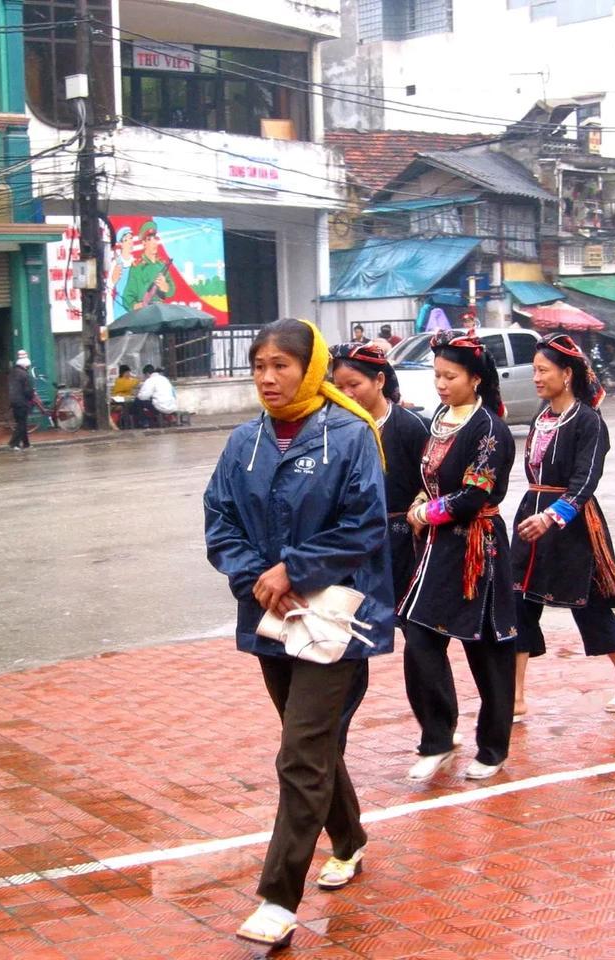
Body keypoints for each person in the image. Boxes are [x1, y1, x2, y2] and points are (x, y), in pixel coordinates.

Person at [203, 318, 393, 950]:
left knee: (299, 751)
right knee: (310, 744)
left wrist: (296, 568)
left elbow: (365, 526)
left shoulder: (349, 435)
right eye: (259, 365)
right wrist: (256, 575)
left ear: (309, 369)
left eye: (281, 365)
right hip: (271, 615)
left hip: (335, 619)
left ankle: (278, 898)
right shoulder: (243, 443)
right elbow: (219, 520)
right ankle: (350, 838)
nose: (268, 377)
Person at [400, 331, 517, 782]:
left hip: (477, 548)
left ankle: (493, 746)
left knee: (486, 650)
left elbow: (473, 494)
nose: (441, 384)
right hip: (435, 549)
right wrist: (421, 501)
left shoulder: (489, 429)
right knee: (419, 636)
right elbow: (430, 475)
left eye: (450, 376)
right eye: (437, 376)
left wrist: (425, 512)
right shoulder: (440, 417)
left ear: (475, 379)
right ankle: (438, 737)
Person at [511, 334, 615, 718]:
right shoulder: (543, 416)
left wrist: (551, 516)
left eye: (543, 370)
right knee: (519, 601)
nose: (536, 377)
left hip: (571, 524)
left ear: (566, 373)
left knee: (588, 605)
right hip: (530, 516)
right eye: (535, 370)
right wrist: (533, 515)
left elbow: (585, 482)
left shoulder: (588, 421)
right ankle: (516, 698)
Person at [329, 341, 430, 601]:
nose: (346, 394)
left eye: (354, 385)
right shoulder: (333, 431)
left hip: (404, 541)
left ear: (379, 380)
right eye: (338, 387)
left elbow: (434, 479)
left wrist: (421, 501)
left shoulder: (412, 427)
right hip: (352, 541)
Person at [121, 220, 175, 313]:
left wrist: (165, 287)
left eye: (155, 239)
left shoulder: (161, 265)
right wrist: (138, 306)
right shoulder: (137, 267)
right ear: (143, 243)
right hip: (144, 314)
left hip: (160, 312)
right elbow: (127, 297)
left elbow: (172, 290)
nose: (154, 243)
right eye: (149, 239)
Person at [7, 350, 35, 450]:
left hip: (14, 401)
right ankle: (13, 443)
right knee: (22, 424)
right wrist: (31, 398)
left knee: (21, 422)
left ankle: (26, 444)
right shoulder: (24, 375)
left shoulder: (13, 373)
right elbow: (27, 390)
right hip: (22, 401)